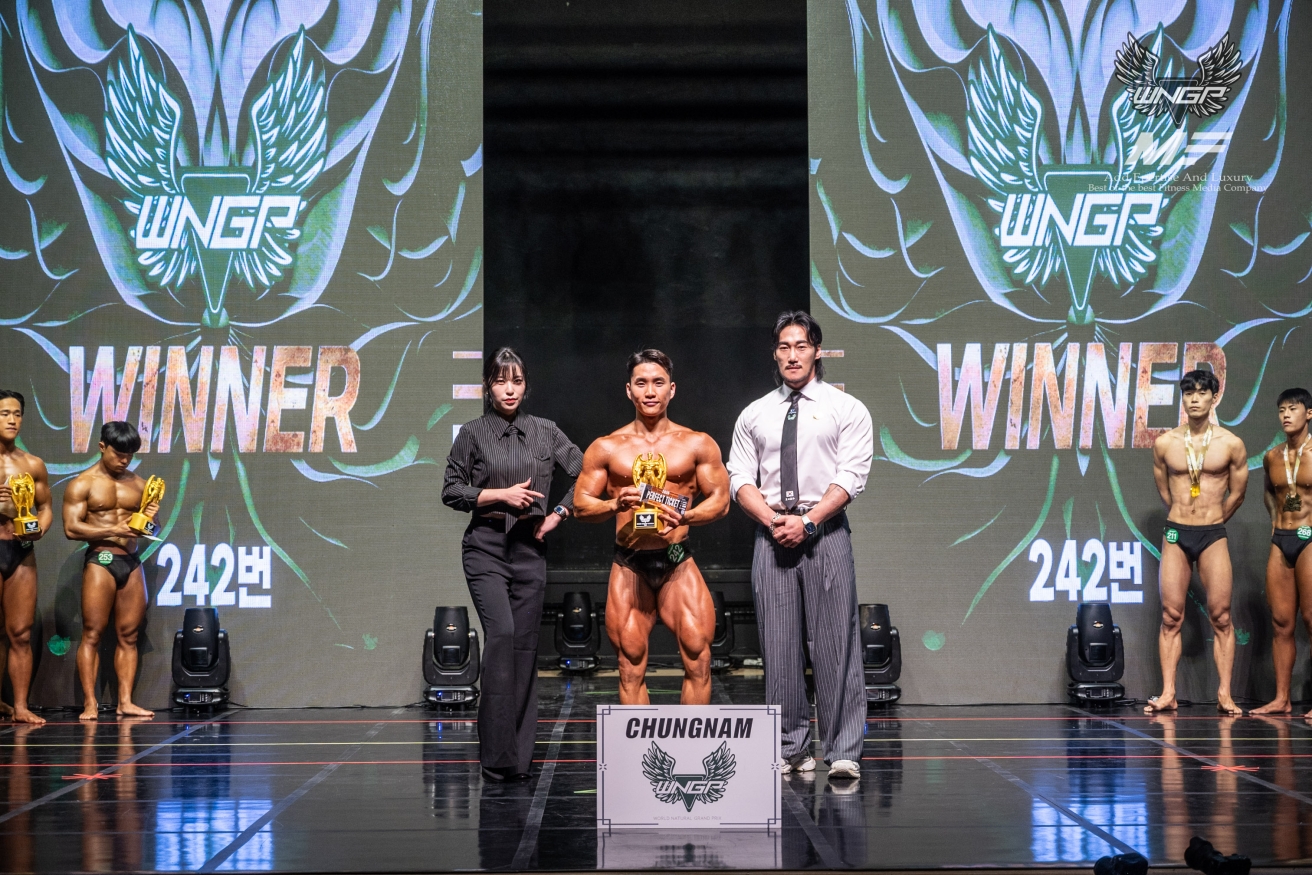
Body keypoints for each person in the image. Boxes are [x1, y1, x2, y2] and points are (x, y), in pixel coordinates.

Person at [727, 311, 873, 782]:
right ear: (775, 353)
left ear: (817, 351)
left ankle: (843, 751)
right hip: (771, 534)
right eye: (785, 347)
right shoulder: (755, 413)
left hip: (825, 532)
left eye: (802, 346)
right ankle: (791, 749)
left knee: (835, 644)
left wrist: (808, 522)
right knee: (779, 646)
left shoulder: (846, 408)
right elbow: (739, 478)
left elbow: (852, 476)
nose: (793, 355)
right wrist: (774, 521)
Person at [442, 348, 583, 781]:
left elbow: (588, 472)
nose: (509, 389)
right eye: (501, 381)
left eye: (517, 381)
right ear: (488, 386)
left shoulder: (545, 431)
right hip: (485, 547)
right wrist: (498, 495)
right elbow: (451, 490)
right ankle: (496, 756)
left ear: (525, 386)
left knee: (524, 648)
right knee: (501, 636)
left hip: (529, 548)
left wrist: (559, 513)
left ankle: (519, 759)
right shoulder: (473, 433)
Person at [573, 349, 730, 705]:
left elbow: (721, 501)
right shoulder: (606, 447)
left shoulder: (697, 443)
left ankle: (690, 740)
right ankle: (640, 743)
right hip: (630, 562)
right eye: (641, 383)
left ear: (671, 389)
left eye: (658, 383)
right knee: (629, 665)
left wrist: (686, 517)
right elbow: (581, 505)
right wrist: (613, 504)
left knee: (699, 657)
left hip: (676, 557)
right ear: (629, 390)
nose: (649, 391)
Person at [1147, 370, 1248, 715]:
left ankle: (1225, 694)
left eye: (1202, 392)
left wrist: (1213, 520)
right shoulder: (1165, 444)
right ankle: (1168, 693)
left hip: (1212, 533)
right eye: (1188, 393)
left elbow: (1237, 494)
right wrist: (1181, 515)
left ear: (1213, 398)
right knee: (1170, 616)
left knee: (1221, 615)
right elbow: (1164, 490)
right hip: (1176, 532)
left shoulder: (1231, 444)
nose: (1194, 399)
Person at [62, 421, 161, 721]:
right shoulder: (83, 484)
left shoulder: (139, 485)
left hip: (130, 561)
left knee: (129, 635)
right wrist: (112, 529)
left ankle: (125, 702)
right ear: (102, 446)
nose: (125, 460)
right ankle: (90, 703)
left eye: (129, 454)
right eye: (119, 453)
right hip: (101, 560)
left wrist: (149, 519)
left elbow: (152, 531)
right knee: (92, 634)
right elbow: (71, 528)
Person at [1252, 388, 1312, 717]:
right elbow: (1269, 492)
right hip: (1282, 539)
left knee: (1311, 619)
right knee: (1281, 622)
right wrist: (1276, 522)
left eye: (1293, 408)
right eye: (1281, 410)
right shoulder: (1272, 457)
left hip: (1310, 538)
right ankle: (1282, 699)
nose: (1286, 415)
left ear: (1309, 414)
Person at [0, 390, 52, 725]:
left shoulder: (32, 464)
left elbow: (45, 508)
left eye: (17, 414)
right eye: (5, 413)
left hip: (20, 551)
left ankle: (19, 706)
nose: (12, 420)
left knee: (20, 632)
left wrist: (38, 530)